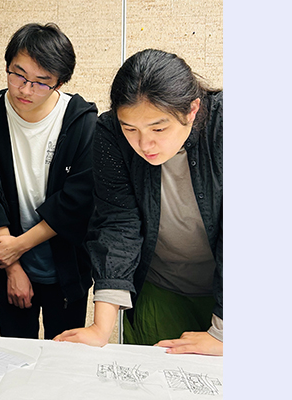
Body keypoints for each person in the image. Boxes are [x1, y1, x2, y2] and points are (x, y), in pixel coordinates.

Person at [54, 49, 223, 356]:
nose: (145, 144)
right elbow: (117, 222)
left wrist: (223, 333)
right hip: (160, 287)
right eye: (131, 129)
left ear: (192, 109)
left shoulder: (226, 125)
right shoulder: (110, 132)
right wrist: (100, 328)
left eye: (159, 128)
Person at [0, 23, 97, 340]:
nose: (25, 89)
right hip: (8, 258)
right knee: (17, 349)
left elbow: (77, 201)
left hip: (67, 262)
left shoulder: (82, 122)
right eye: (18, 75)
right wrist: (12, 265)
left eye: (41, 83)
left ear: (59, 82)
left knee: (64, 351)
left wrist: (18, 246)